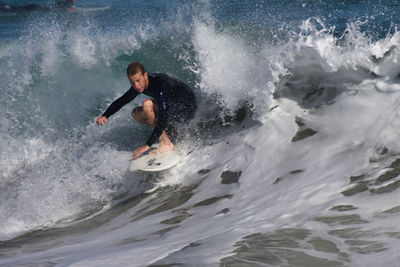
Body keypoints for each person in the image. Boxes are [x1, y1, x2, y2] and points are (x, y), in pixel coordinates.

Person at [96, 62, 197, 159]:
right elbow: (123, 100)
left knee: (147, 105)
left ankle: (166, 143)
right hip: (172, 107)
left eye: (138, 80)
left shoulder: (160, 85)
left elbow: (163, 114)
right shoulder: (139, 85)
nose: (136, 85)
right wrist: (105, 115)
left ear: (145, 75)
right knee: (136, 113)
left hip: (187, 107)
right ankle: (168, 132)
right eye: (132, 82)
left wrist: (148, 144)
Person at [0, 0, 77, 12]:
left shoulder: (65, 2)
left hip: (41, 7)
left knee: (21, 9)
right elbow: (66, 9)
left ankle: (5, 6)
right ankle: (5, 7)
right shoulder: (68, 3)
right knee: (20, 9)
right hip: (43, 8)